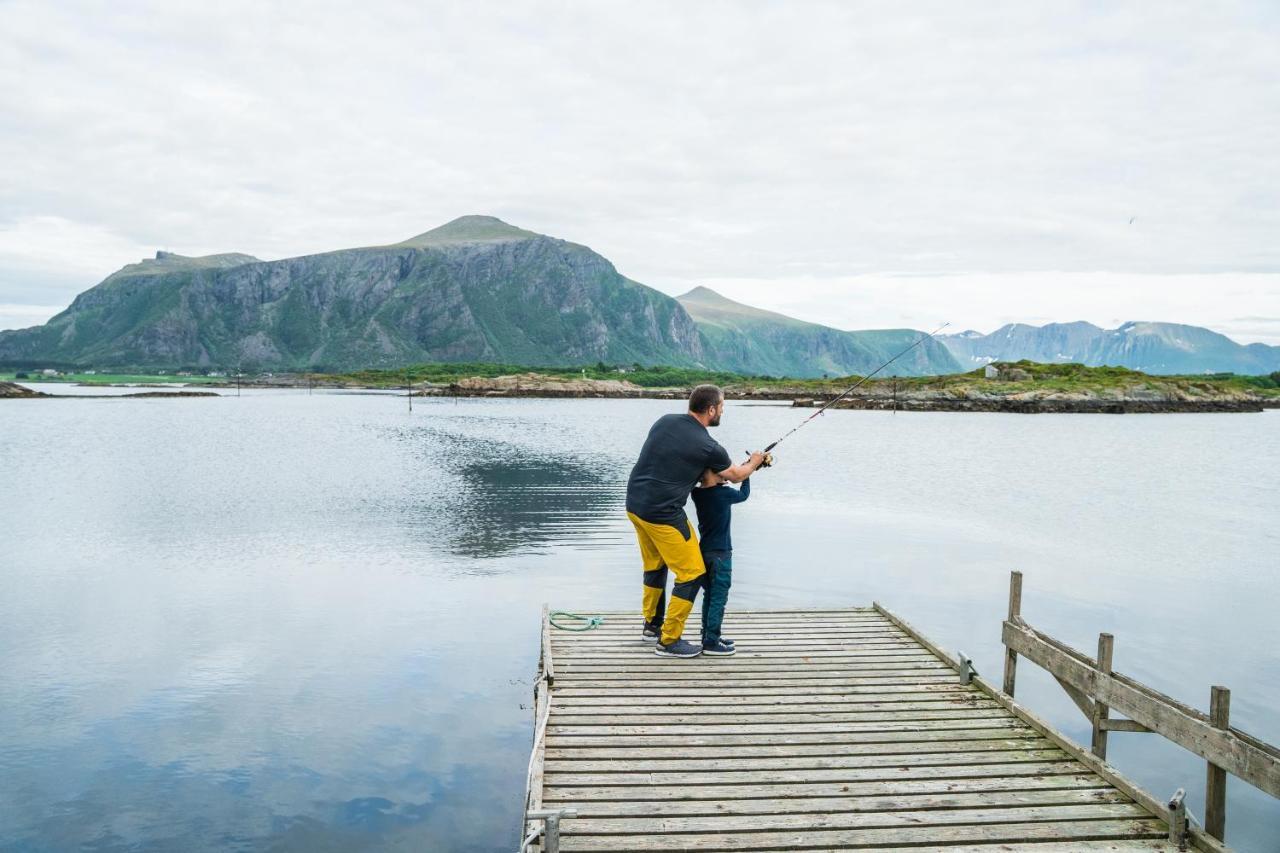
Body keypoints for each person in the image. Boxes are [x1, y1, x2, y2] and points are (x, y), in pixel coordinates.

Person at [625, 384, 765, 658]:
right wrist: (756, 462)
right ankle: (669, 640)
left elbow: (682, 459)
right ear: (711, 409)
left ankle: (652, 625)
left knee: (655, 565)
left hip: (635, 505)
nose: (723, 411)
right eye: (722, 407)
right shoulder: (708, 445)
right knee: (692, 572)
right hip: (663, 513)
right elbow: (735, 475)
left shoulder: (665, 421)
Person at [690, 468, 750, 656]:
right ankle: (711, 642)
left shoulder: (697, 493)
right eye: (722, 471)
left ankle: (708, 635)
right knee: (718, 597)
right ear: (714, 475)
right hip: (721, 554)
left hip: (704, 552)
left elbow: (710, 485)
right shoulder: (724, 493)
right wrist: (746, 474)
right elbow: (743, 494)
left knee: (709, 594)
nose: (727, 472)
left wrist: (721, 478)